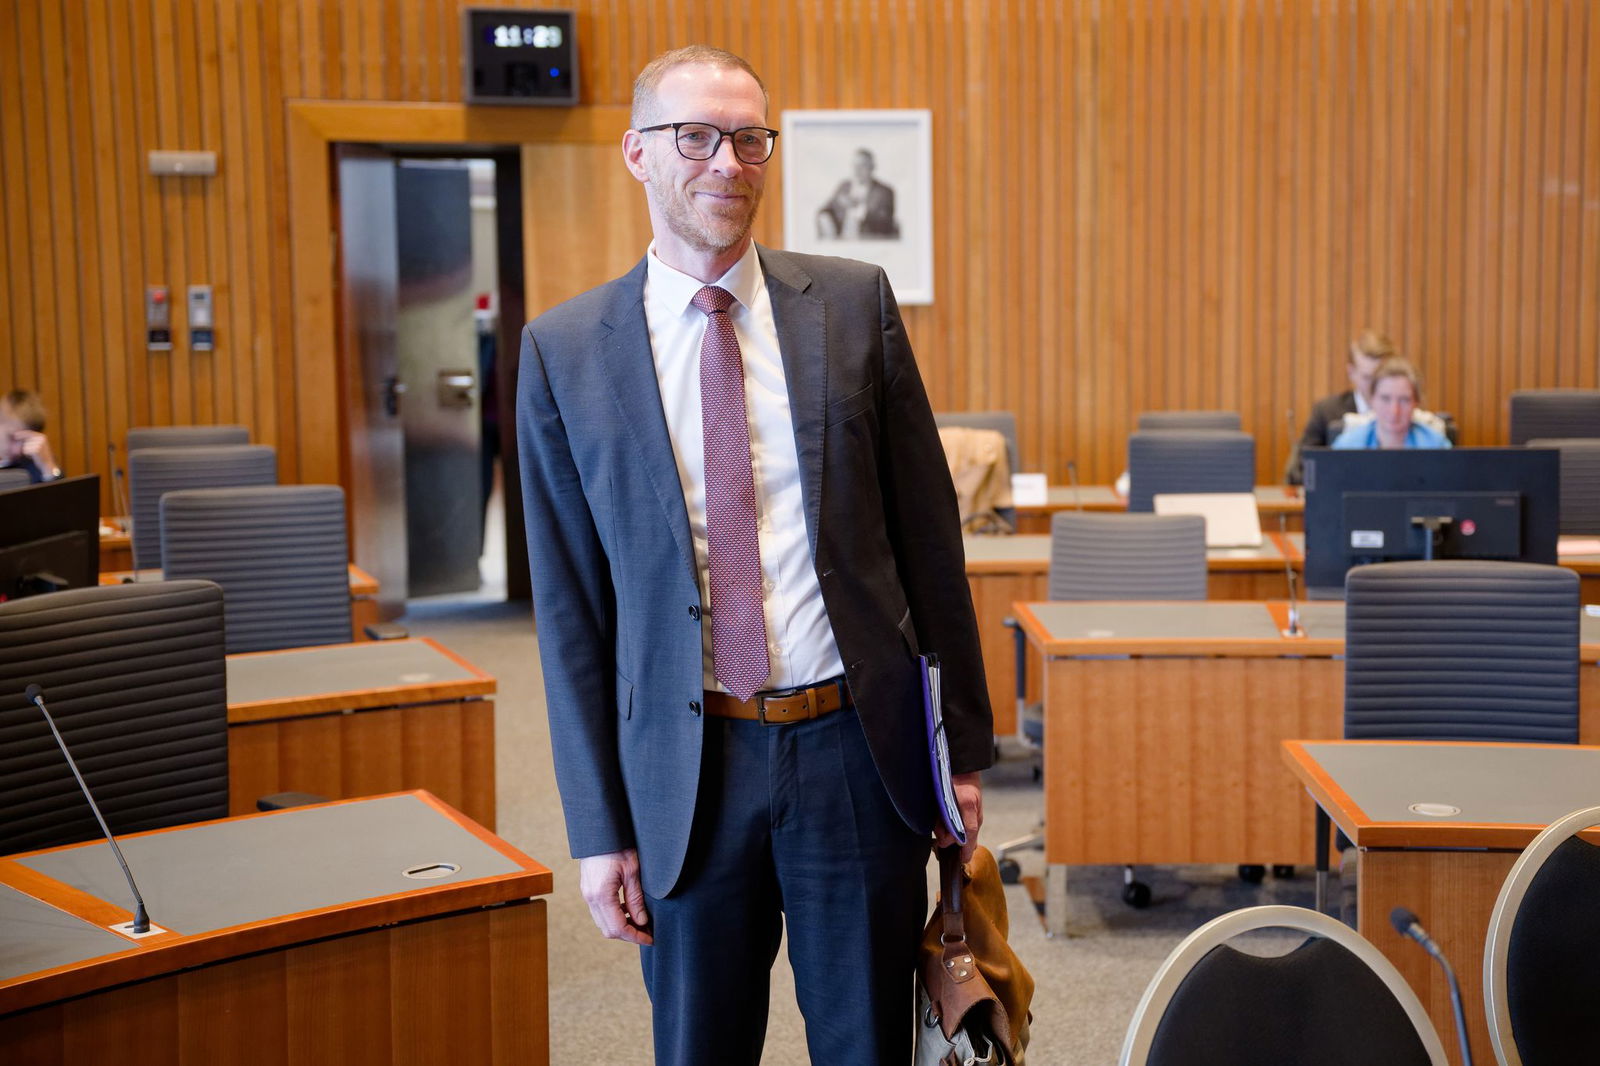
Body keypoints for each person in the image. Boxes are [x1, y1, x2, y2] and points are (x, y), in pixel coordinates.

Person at [516, 46, 991, 1066]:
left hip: (852, 756)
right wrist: (599, 827)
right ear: (638, 153)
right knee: (700, 1048)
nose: (726, 162)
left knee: (868, 1044)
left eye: (748, 138)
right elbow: (569, 615)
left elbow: (927, 544)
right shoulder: (565, 350)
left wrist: (961, 754)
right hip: (685, 775)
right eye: (696, 136)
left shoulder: (853, 307)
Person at [1285, 329, 1393, 483]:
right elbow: (1300, 472)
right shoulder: (1327, 412)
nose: (1376, 385)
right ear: (1351, 372)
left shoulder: (1405, 415)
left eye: (1382, 376)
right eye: (1368, 377)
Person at [1330, 357, 1451, 449]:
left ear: (1416, 402)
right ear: (1372, 399)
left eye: (1404, 400)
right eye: (1385, 398)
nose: (1394, 410)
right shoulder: (1347, 447)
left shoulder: (1437, 446)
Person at [816, 147, 899, 239]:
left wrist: (861, 211)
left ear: (872, 167)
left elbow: (886, 224)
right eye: (854, 166)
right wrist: (825, 217)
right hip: (840, 243)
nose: (857, 170)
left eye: (862, 166)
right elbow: (826, 209)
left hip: (869, 245)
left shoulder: (884, 192)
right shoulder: (844, 187)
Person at [0, 389, 61, 482]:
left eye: (25, 441)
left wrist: (48, 467)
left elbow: (62, 495)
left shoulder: (37, 465)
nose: (18, 450)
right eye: (12, 438)